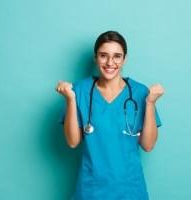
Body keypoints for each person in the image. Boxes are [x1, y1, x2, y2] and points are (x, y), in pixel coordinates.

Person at [55, 30, 165, 200]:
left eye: (117, 56)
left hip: (130, 189)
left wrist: (150, 103)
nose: (110, 62)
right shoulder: (80, 91)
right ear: (95, 58)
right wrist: (70, 100)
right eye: (103, 55)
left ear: (124, 59)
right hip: (91, 189)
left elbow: (148, 145)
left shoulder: (140, 92)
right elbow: (72, 141)